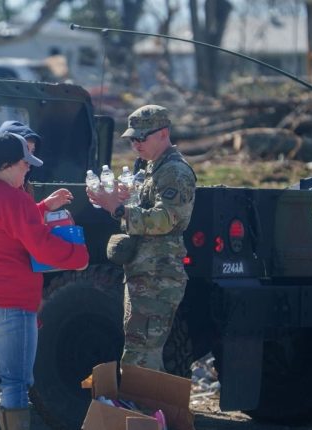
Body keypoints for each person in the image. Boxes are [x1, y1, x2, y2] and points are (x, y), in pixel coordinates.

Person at [0, 132, 89, 430]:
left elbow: (5, 225)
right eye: (26, 164)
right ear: (10, 164)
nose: (29, 169)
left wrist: (41, 208)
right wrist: (79, 257)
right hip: (7, 302)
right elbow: (40, 246)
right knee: (15, 384)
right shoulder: (14, 198)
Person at [87, 105, 196, 371]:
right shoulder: (152, 168)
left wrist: (118, 208)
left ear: (163, 133)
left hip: (158, 275)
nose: (136, 144)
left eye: (142, 137)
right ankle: (145, 410)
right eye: (133, 138)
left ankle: (142, 411)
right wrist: (126, 200)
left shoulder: (174, 171)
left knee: (141, 355)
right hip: (146, 272)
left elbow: (166, 219)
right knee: (139, 347)